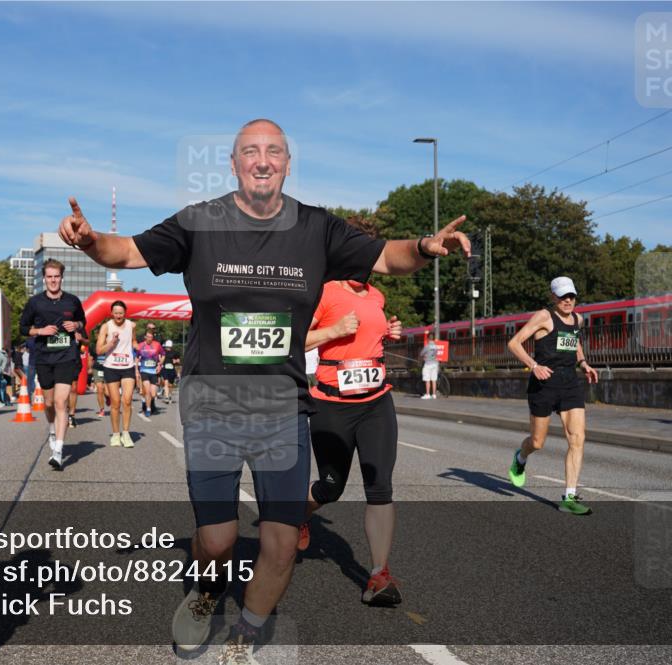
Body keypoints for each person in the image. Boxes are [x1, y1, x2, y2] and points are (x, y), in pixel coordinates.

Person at [60, 118, 468, 663]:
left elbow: (387, 257)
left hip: (282, 409)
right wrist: (89, 241)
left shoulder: (318, 228)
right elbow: (125, 252)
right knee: (218, 541)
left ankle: (247, 633)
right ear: (233, 165)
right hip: (212, 407)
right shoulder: (200, 223)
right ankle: (207, 590)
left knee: (280, 544)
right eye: (250, 151)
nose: (262, 160)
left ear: (287, 165)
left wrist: (424, 245)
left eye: (274, 151)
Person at [300, 253, 405, 607]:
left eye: (369, 260)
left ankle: (379, 575)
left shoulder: (377, 296)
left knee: (380, 486)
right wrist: (334, 331)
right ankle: (300, 515)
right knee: (331, 487)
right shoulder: (324, 292)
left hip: (376, 402)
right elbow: (293, 340)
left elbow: (367, 340)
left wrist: (388, 333)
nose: (363, 267)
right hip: (332, 405)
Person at [507, 276, 599, 515]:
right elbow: (514, 343)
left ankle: (569, 497)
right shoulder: (544, 316)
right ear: (553, 297)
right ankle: (521, 458)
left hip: (569, 384)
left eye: (571, 296)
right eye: (562, 296)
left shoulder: (578, 319)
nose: (568, 300)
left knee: (577, 438)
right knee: (537, 442)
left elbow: (574, 341)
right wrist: (533, 365)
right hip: (544, 385)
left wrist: (583, 363)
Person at [19, 259, 87, 470]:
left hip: (67, 356)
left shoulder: (72, 301)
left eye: (56, 276)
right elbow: (23, 328)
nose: (53, 280)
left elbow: (83, 322)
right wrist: (40, 331)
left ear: (61, 278)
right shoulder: (35, 302)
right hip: (44, 357)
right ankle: (51, 428)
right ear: (44, 279)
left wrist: (75, 324)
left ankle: (58, 450)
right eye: (49, 277)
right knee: (48, 403)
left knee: (60, 402)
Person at [96, 301, 137, 448]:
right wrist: (111, 343)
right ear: (111, 313)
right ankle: (115, 434)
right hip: (111, 367)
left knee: (127, 400)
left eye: (121, 313)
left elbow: (134, 342)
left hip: (128, 366)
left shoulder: (132, 325)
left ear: (125, 313)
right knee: (115, 403)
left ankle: (126, 433)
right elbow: (99, 350)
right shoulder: (106, 327)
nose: (118, 315)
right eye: (116, 313)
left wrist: (142, 349)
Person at [134, 327, 164, 417]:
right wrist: (136, 370)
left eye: (151, 337)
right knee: (147, 391)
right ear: (145, 337)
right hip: (144, 371)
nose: (149, 339)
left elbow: (163, 355)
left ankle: (145, 401)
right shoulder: (140, 345)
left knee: (153, 394)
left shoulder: (157, 345)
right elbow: (136, 357)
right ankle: (148, 409)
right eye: (148, 337)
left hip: (154, 372)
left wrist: (160, 364)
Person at [419, 330, 440, 399]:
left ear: (428, 338)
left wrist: (425, 356)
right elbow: (435, 355)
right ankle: (434, 394)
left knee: (427, 379)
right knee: (434, 380)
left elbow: (421, 354)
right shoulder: (436, 347)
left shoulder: (427, 346)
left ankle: (428, 394)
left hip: (428, 364)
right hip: (435, 364)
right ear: (433, 338)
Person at [159, 339, 178, 404]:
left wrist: (176, 361)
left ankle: (170, 395)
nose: (168, 348)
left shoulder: (175, 352)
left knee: (170, 385)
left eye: (169, 347)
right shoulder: (163, 352)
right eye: (167, 347)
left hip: (172, 370)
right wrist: (160, 364)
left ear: (171, 347)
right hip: (165, 369)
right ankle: (166, 397)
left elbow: (178, 360)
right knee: (166, 383)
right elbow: (160, 359)